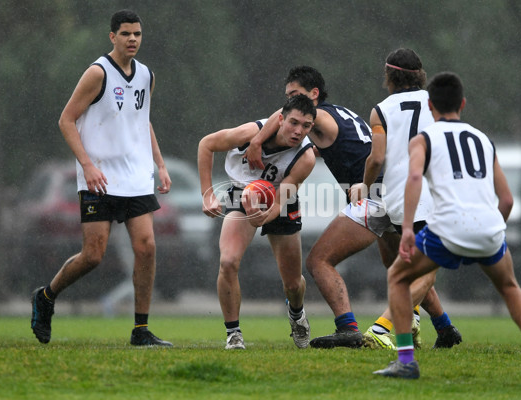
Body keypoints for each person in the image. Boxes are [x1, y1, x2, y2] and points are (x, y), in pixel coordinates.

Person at [373, 72, 521, 386]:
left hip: (447, 228)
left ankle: (406, 361)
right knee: (510, 287)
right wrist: (490, 231)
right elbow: (506, 200)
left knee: (398, 276)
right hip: (489, 228)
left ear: (430, 104)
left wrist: (409, 228)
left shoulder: (423, 139)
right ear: (462, 104)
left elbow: (413, 180)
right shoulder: (482, 139)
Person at [245, 66, 460, 349]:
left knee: (318, 261)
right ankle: (445, 329)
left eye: (295, 96)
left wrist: (257, 141)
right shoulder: (339, 115)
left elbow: (282, 117)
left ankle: (348, 328)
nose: (289, 105)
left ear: (314, 94)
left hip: (375, 196)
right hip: (394, 193)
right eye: (287, 97)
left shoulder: (316, 115)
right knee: (402, 263)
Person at [30, 10, 173, 347]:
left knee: (147, 247)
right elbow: (66, 120)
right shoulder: (98, 73)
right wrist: (87, 165)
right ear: (112, 37)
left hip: (135, 175)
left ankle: (141, 330)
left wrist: (160, 164)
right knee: (93, 255)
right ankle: (46, 297)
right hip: (99, 179)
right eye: (125, 34)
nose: (133, 39)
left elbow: (143, 122)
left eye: (137, 33)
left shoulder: (147, 76)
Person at [350, 49, 462, 349]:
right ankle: (382, 327)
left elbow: (376, 159)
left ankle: (437, 327)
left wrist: (364, 185)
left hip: (399, 200)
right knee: (426, 271)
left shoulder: (380, 110)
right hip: (433, 195)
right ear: (420, 75)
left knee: (415, 267)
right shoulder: (436, 103)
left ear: (389, 75)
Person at [198, 94, 316, 350]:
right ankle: (234, 333)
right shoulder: (250, 133)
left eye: (306, 126)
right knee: (228, 261)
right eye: (294, 123)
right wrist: (208, 195)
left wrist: (265, 215)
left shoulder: (305, 158)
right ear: (281, 119)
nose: (298, 131)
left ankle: (297, 314)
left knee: (293, 283)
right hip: (241, 194)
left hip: (280, 202)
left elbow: (277, 203)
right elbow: (206, 145)